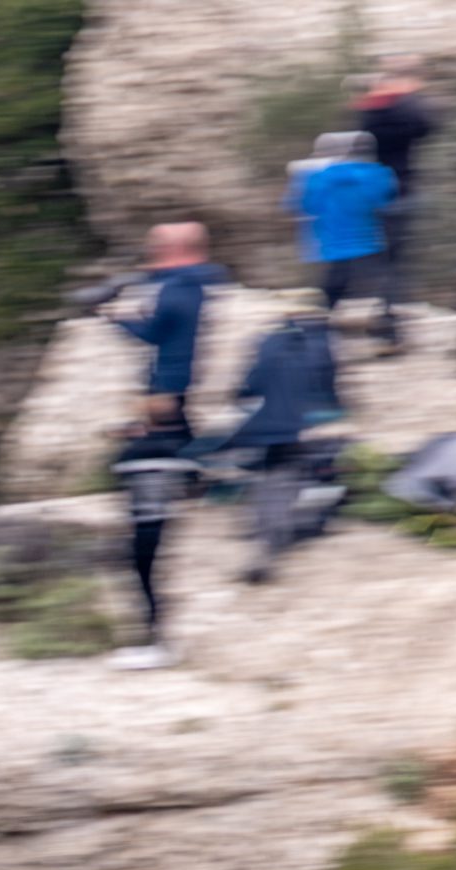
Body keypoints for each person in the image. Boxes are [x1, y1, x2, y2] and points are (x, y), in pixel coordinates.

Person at [223, 299, 343, 584]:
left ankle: (266, 536)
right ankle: (283, 536)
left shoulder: (266, 341)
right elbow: (327, 383)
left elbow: (251, 384)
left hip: (266, 427)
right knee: (295, 480)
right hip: (303, 426)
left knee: (268, 483)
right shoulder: (322, 342)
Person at [352, 57, 438, 349]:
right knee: (394, 260)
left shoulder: (369, 111)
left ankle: (382, 318)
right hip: (400, 190)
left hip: (370, 191)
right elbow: (428, 124)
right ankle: (390, 325)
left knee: (379, 258)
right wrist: (405, 94)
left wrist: (383, 94)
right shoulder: (407, 111)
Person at [113, 221, 226, 434]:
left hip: (171, 380)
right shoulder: (206, 281)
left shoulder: (177, 287)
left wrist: (117, 319)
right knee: (177, 433)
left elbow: (152, 333)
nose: (151, 251)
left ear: (177, 248)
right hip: (188, 377)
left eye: (157, 245)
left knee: (169, 434)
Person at [110, 416, 198, 669]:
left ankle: (157, 638)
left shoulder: (127, 456)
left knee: (145, 579)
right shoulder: (171, 451)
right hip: (167, 521)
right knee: (156, 578)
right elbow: (192, 478)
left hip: (143, 523)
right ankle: (158, 639)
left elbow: (123, 488)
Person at [290, 133, 398, 327]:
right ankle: (387, 328)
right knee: (382, 284)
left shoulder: (316, 178)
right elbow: (384, 202)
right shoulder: (374, 174)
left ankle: (324, 328)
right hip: (368, 242)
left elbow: (307, 206)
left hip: (333, 245)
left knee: (332, 288)